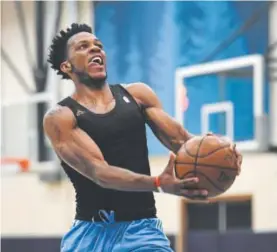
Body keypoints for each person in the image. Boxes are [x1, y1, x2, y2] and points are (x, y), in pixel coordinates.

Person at [44, 23, 242, 252]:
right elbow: (100, 172)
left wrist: (224, 153)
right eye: (83, 46)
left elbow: (183, 143)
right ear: (67, 66)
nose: (95, 49)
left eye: (98, 46)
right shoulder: (61, 117)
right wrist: (157, 183)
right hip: (89, 235)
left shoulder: (137, 95)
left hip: (142, 232)